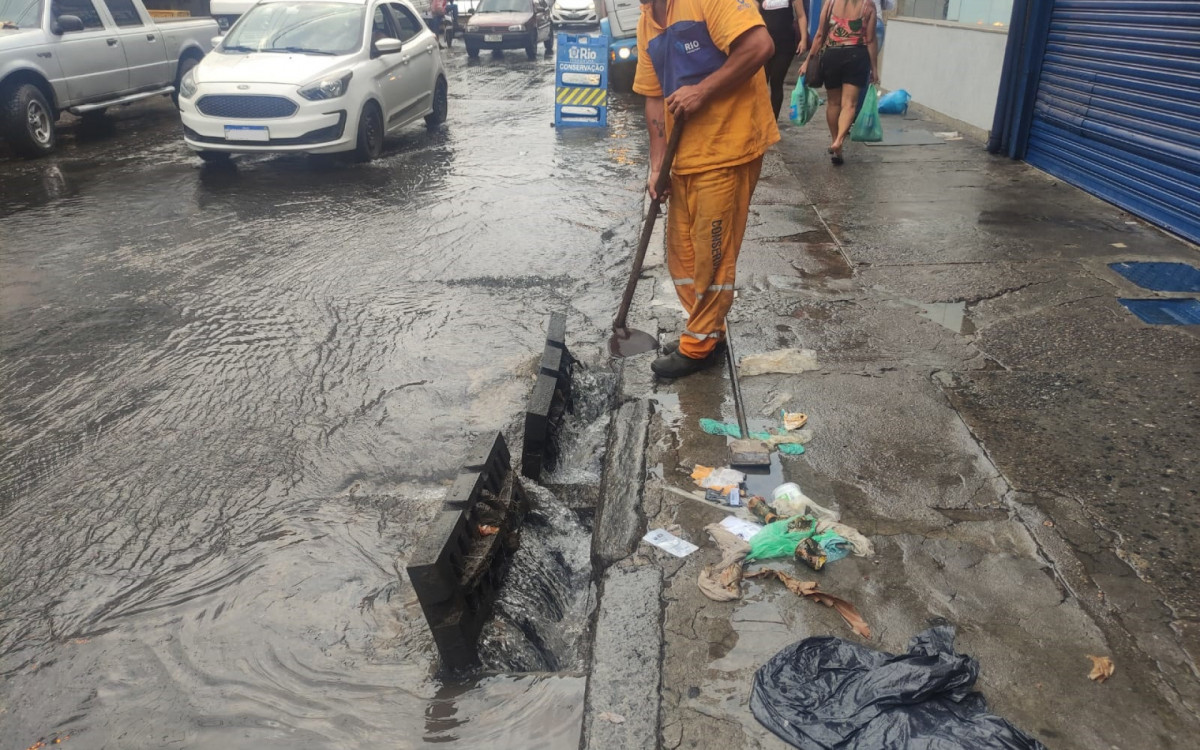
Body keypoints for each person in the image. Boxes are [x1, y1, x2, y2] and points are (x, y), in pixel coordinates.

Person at [633, 0, 779, 379]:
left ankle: (698, 345)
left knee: (712, 256)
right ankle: (707, 329)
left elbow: (760, 46)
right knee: (682, 257)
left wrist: (703, 90)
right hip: (684, 156)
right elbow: (653, 96)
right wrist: (657, 165)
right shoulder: (647, 21)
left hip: (728, 147)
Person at [800, 0, 877, 164]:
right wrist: (874, 69)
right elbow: (870, 40)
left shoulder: (829, 3)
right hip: (856, 55)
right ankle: (839, 140)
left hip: (832, 55)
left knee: (833, 103)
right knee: (849, 104)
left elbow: (820, 35)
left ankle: (836, 145)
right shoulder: (868, 5)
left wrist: (808, 61)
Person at [757, 0, 808, 120]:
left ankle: (773, 121)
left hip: (784, 44)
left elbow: (801, 16)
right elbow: (753, 15)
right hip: (763, 43)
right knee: (760, 83)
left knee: (776, 81)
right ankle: (759, 119)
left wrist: (804, 39)